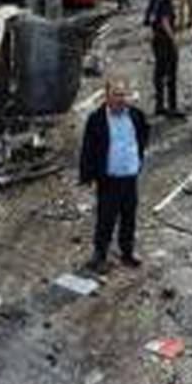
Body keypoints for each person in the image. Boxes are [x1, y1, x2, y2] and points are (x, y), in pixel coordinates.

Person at [79, 76, 150, 274]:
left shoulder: (135, 115)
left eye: (122, 95)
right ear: (107, 96)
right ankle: (99, 254)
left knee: (129, 217)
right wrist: (87, 175)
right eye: (116, 95)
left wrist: (137, 159)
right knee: (106, 218)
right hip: (109, 179)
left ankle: (127, 252)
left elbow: (144, 134)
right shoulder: (97, 119)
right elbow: (88, 148)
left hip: (129, 177)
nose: (120, 99)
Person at [151, 0, 183, 118]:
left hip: (159, 42)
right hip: (164, 43)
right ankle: (171, 107)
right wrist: (174, 39)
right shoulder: (165, 3)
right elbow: (165, 23)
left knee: (160, 74)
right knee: (169, 75)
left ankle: (160, 105)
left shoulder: (162, 2)